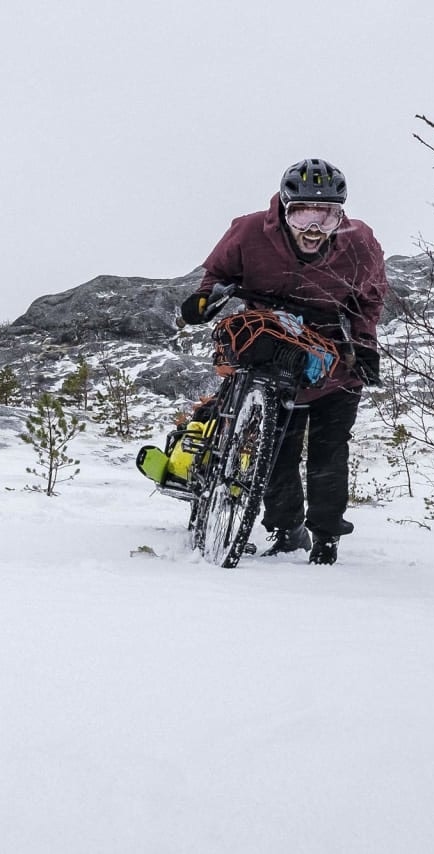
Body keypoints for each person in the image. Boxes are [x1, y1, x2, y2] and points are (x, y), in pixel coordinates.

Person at [179, 158, 389, 564]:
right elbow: (218, 272)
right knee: (277, 449)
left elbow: (370, 297)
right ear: (284, 209)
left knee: (331, 451)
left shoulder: (360, 243)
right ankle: (286, 530)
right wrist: (205, 299)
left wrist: (364, 343)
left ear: (340, 215)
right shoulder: (248, 232)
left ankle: (327, 538)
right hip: (271, 347)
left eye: (326, 217)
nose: (313, 228)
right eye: (304, 214)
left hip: (334, 356)